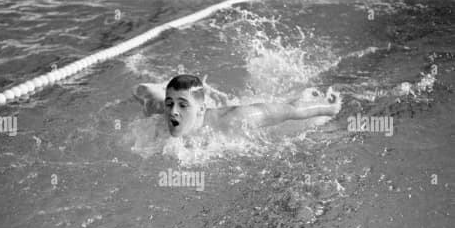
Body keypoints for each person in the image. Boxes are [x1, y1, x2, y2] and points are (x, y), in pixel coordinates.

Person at [133, 74, 341, 137]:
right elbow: (140, 89)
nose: (173, 112)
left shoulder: (234, 120)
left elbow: (291, 111)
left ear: (201, 109)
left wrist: (327, 108)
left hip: (234, 114)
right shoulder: (162, 113)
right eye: (170, 103)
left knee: (290, 107)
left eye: (183, 105)